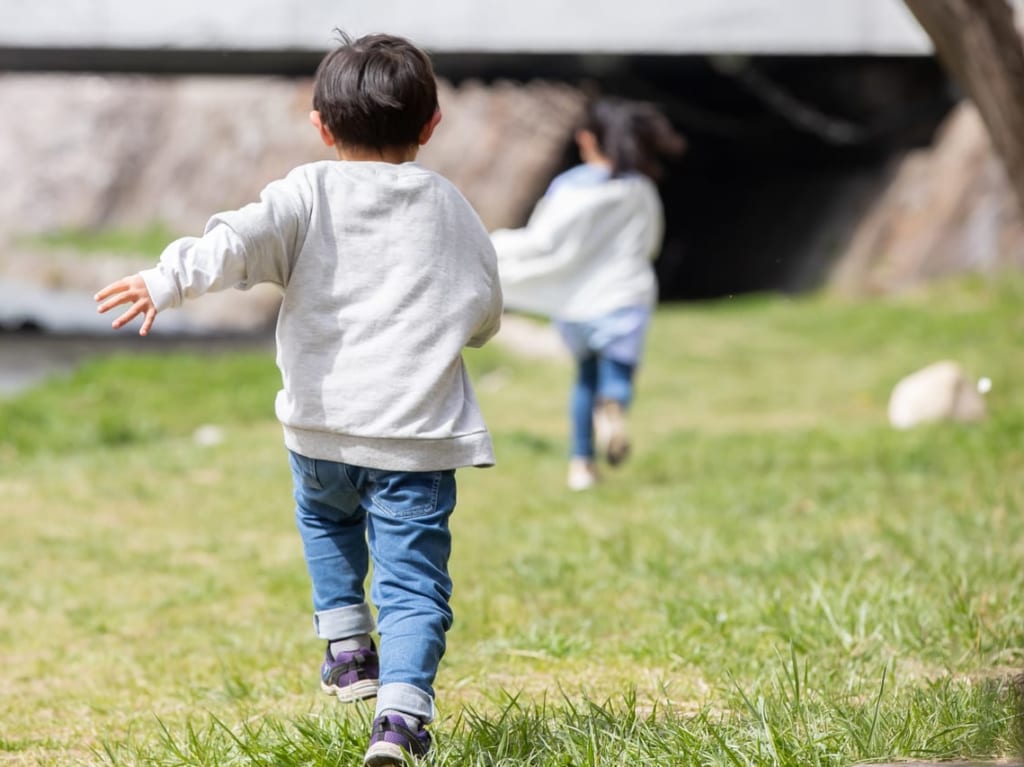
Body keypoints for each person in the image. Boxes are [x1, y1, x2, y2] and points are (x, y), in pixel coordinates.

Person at [94, 31, 502, 767]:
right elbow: (481, 303)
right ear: (432, 125)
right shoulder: (449, 206)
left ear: (320, 123)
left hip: (319, 430)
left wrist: (167, 279)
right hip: (413, 437)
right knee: (413, 586)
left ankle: (347, 645)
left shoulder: (306, 192)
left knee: (324, 520)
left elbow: (237, 241)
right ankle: (400, 724)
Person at [490, 98, 684, 491]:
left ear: (587, 138)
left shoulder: (571, 187)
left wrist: (494, 246)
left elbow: (543, 239)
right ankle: (611, 408)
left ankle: (581, 466)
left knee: (584, 379)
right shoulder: (640, 188)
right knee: (617, 376)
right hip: (624, 296)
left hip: (577, 303)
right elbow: (651, 242)